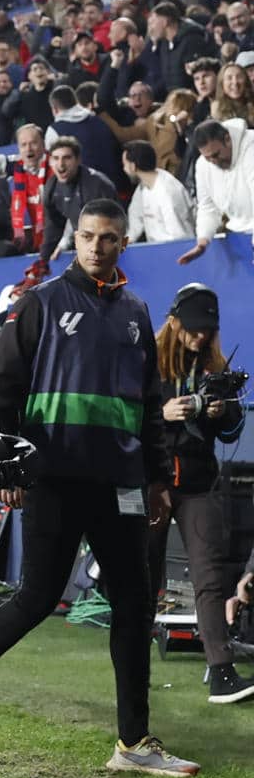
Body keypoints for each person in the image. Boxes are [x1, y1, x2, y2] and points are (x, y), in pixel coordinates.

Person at [0, 201, 199, 774]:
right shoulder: (41, 302)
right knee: (35, 600)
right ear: (75, 240)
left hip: (121, 486)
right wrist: (8, 468)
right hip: (54, 480)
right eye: (87, 237)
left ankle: (134, 743)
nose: (97, 247)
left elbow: (149, 407)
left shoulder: (136, 311)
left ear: (123, 243)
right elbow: (2, 390)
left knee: (134, 607)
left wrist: (157, 478)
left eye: (108, 239)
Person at [148, 284, 252, 703]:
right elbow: (124, 417)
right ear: (174, 322)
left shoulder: (215, 366)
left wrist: (223, 412)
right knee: (144, 576)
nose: (200, 337)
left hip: (197, 483)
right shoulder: (146, 362)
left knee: (210, 578)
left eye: (207, 330)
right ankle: (134, 660)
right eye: (193, 329)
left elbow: (230, 431)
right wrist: (162, 413)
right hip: (152, 482)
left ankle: (221, 670)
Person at [176, 118, 254, 265]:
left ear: (227, 139)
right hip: (240, 236)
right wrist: (202, 241)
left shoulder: (251, 147)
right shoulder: (203, 165)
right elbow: (207, 207)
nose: (213, 161)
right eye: (207, 157)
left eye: (216, 154)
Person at [42, 136, 120, 261]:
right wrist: (44, 260)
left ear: (78, 160)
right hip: (84, 243)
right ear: (50, 161)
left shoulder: (96, 184)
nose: (60, 164)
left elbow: (108, 226)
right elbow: (53, 226)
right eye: (56, 158)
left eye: (67, 158)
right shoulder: (51, 187)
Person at [122, 139, 196, 242]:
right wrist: (121, 248)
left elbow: (178, 235)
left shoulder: (168, 191)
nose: (124, 169)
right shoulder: (142, 188)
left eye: (124, 165)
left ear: (133, 166)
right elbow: (134, 226)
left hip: (178, 250)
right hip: (156, 249)